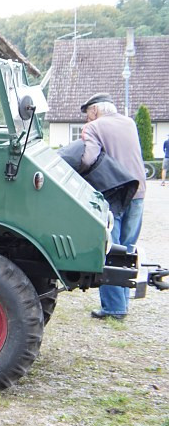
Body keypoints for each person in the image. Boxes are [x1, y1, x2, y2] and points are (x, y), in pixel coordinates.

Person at [79, 93, 146, 319]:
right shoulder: (129, 122)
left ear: (95, 110)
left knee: (110, 249)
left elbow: (88, 159)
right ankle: (123, 302)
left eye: (88, 114)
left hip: (115, 193)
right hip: (138, 191)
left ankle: (114, 308)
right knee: (127, 248)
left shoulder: (94, 127)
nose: (87, 119)